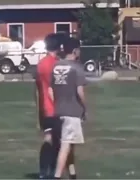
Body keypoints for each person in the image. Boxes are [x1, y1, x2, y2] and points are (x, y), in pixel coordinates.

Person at [48, 37, 86, 179]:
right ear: (75, 51)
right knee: (65, 146)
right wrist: (84, 108)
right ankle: (57, 176)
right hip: (72, 112)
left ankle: (72, 174)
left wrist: (57, 103)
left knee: (69, 144)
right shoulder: (76, 68)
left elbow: (50, 90)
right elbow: (80, 92)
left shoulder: (56, 66)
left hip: (59, 111)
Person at [33, 33, 62, 179]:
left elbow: (37, 89)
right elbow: (55, 88)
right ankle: (48, 172)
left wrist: (38, 111)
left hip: (44, 107)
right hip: (54, 107)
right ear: (59, 47)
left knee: (51, 138)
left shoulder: (41, 64)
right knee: (53, 140)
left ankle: (45, 172)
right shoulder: (56, 64)